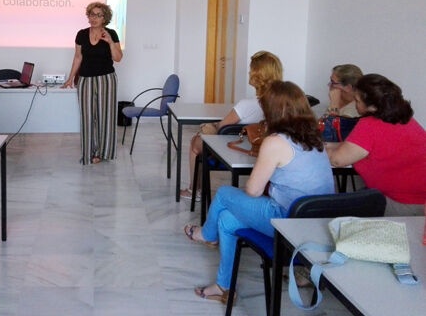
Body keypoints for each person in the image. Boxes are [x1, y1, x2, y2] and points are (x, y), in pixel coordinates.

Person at [182, 81, 335, 303]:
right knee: (226, 219)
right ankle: (223, 287)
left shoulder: (276, 142)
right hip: (317, 225)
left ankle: (207, 234)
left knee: (224, 193)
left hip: (287, 222)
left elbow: (253, 190)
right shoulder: (314, 138)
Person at [180, 50, 283, 200]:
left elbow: (222, 128)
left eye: (251, 70)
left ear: (257, 75)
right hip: (262, 152)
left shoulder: (246, 105)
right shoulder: (282, 105)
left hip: (235, 150)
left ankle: (194, 190)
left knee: (195, 143)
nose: (249, 73)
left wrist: (212, 125)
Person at [326, 73, 426, 216]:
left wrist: (321, 151)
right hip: (420, 201)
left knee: (333, 210)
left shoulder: (369, 124)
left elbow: (337, 160)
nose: (356, 104)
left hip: (402, 203)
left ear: (372, 106)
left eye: (357, 101)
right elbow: (358, 145)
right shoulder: (405, 119)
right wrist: (328, 145)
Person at [63, 2, 123, 164]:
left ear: (105, 18)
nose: (94, 18)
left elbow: (118, 58)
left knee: (106, 117)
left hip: (107, 79)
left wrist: (110, 42)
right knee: (87, 117)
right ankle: (88, 153)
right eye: (92, 14)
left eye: (98, 15)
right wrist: (70, 78)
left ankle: (104, 153)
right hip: (85, 79)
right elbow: (78, 57)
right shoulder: (81, 34)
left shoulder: (111, 34)